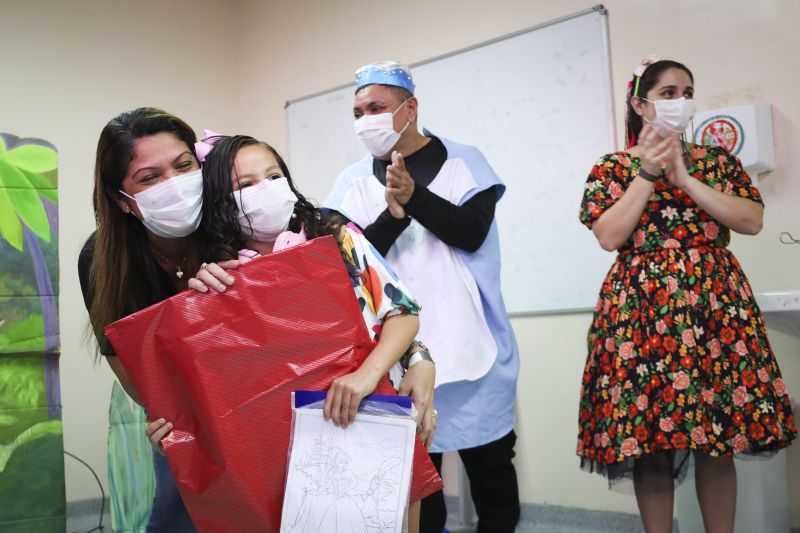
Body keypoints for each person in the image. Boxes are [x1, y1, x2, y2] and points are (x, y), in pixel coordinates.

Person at [147, 134, 442, 532]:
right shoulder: (217, 275)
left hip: (372, 418)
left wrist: (368, 375)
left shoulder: (334, 236)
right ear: (220, 200)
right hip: (277, 451)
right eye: (245, 185)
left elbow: (403, 313)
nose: (264, 190)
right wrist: (178, 427)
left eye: (273, 176)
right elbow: (214, 383)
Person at [575, 56, 796, 533]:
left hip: (715, 308)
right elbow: (610, 235)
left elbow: (751, 221)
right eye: (669, 93)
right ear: (641, 103)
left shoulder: (717, 162)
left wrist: (686, 179)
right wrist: (648, 174)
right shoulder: (612, 167)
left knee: (718, 440)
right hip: (642, 313)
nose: (681, 102)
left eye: (687, 92)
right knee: (650, 443)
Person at [324, 60, 521, 533]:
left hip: (472, 342)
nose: (365, 118)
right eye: (358, 110)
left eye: (377, 107)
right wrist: (393, 216)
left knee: (491, 469)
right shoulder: (351, 182)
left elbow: (472, 233)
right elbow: (349, 264)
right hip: (397, 350)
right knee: (418, 481)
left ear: (410, 108)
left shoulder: (463, 161)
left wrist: (414, 199)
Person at [78, 107, 234, 532]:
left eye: (184, 166)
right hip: (187, 421)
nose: (174, 184)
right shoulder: (103, 262)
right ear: (121, 200)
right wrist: (168, 418)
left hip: (264, 407)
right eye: (149, 178)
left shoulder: (234, 224)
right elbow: (131, 368)